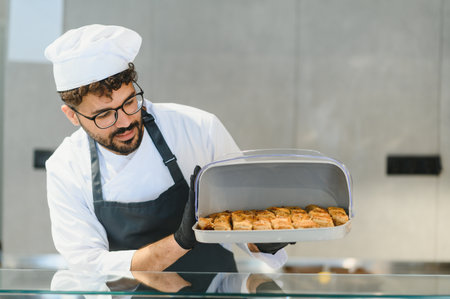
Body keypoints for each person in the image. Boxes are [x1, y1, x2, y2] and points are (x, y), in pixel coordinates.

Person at [44, 24, 292, 273]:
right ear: (72, 116)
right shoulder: (65, 168)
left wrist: (264, 240)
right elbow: (89, 265)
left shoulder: (198, 129)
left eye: (130, 102)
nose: (125, 121)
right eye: (104, 115)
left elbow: (243, 220)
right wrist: (179, 242)